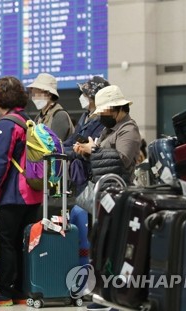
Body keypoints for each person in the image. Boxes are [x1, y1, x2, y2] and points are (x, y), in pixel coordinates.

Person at [0, 76, 42, 307]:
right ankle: (21, 289)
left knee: (6, 241)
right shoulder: (27, 120)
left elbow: (1, 161)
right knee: (23, 242)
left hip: (13, 196)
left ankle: (3, 292)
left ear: (0, 98)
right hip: (32, 194)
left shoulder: (6, 124)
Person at [74, 85, 141, 311]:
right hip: (103, 196)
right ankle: (103, 294)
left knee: (116, 247)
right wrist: (88, 150)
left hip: (119, 197)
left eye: (103, 112)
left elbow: (120, 160)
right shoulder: (108, 131)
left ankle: (117, 296)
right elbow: (101, 154)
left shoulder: (129, 130)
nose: (101, 117)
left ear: (115, 109)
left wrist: (92, 151)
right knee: (101, 246)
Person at [63, 76, 109, 195]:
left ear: (93, 97)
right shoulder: (85, 117)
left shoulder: (102, 120)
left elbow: (89, 147)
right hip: (78, 174)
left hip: (90, 174)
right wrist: (58, 147)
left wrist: (67, 151)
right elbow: (73, 139)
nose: (81, 97)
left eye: (84, 94)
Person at [27, 73, 74, 141]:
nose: (33, 97)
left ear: (48, 94)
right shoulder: (39, 117)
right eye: (33, 94)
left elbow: (55, 146)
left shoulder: (59, 115)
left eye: (37, 94)